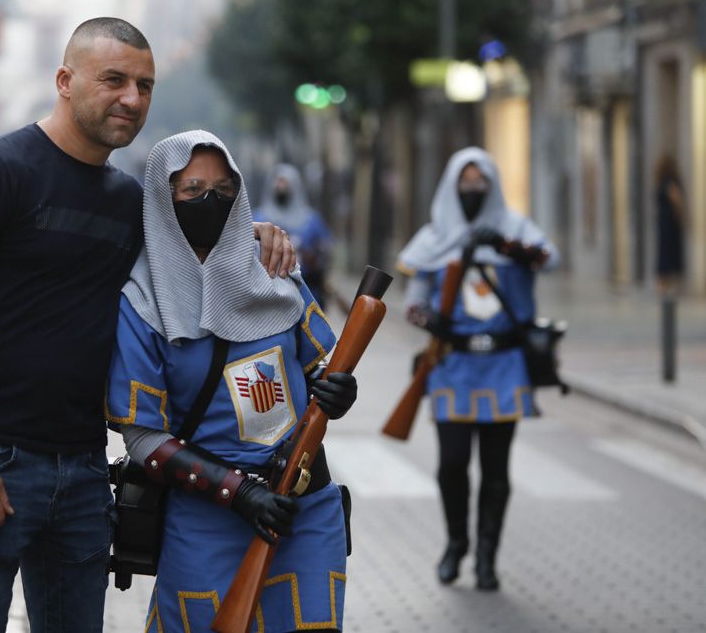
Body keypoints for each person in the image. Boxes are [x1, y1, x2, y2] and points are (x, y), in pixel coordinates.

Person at [0, 18, 295, 632]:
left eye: (144, 85)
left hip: (86, 468)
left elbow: (187, 245)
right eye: (113, 80)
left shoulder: (127, 199)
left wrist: (253, 233)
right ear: (64, 80)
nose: (132, 99)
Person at [106, 130, 358, 632]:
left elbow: (314, 373)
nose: (210, 201)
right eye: (192, 189)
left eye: (223, 189)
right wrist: (238, 492)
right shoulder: (139, 299)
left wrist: (338, 392)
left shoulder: (274, 268)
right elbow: (141, 437)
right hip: (206, 517)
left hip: (301, 509)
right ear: (163, 196)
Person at [396, 147, 559, 591]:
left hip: (504, 366)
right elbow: (412, 304)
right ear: (452, 186)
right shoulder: (434, 238)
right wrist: (433, 320)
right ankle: (456, 543)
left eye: (479, 181)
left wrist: (502, 244)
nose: (472, 189)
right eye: (464, 182)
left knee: (496, 470)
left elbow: (549, 258)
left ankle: (487, 556)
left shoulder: (515, 228)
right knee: (451, 463)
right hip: (453, 363)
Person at [254, 163, 334, 308]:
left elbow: (326, 251)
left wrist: (313, 260)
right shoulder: (258, 218)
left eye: (285, 182)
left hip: (307, 293)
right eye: (278, 181)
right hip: (267, 296)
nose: (281, 187)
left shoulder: (311, 220)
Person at [654, 154, 685, 296]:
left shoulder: (661, 181)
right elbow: (676, 198)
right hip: (670, 224)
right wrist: (681, 215)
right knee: (669, 253)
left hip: (664, 223)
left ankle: (664, 288)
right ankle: (668, 288)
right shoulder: (670, 181)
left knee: (664, 253)